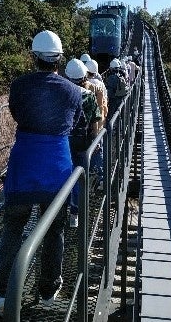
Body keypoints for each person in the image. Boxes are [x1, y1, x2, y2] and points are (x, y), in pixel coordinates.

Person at [0, 30, 82, 316]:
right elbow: (74, 122)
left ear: (34, 56)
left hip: (25, 160)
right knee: (54, 230)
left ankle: (3, 291)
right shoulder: (74, 91)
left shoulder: (19, 86)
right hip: (58, 164)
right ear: (59, 59)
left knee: (13, 228)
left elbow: (16, 113)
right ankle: (49, 290)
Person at [65, 59, 101, 226]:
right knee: (80, 176)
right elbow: (95, 121)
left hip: (64, 140)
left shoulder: (64, 92)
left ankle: (58, 208)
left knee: (65, 173)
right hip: (83, 141)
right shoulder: (88, 95)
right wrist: (95, 139)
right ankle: (75, 213)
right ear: (84, 76)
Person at [85, 59, 108, 186]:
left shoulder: (84, 85)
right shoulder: (100, 84)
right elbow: (105, 103)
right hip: (99, 123)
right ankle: (101, 177)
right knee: (98, 148)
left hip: (85, 126)